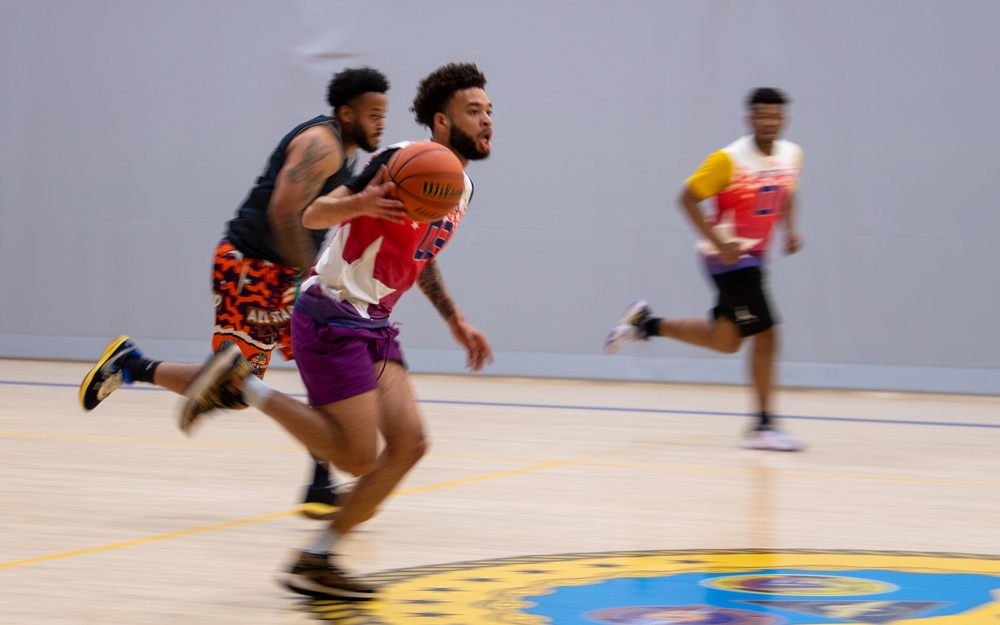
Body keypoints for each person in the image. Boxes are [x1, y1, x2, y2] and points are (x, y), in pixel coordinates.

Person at [177, 62, 494, 600]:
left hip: (373, 321)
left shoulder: (459, 187)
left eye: (490, 112)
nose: (487, 121)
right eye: (474, 111)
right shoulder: (397, 161)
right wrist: (362, 202)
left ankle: (317, 558)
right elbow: (313, 212)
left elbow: (421, 255)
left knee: (410, 445)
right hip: (331, 312)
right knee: (356, 457)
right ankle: (241, 383)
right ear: (441, 121)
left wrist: (453, 318)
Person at [78, 66, 392, 516]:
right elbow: (282, 215)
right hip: (252, 268)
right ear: (346, 113)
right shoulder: (321, 146)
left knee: (316, 369)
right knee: (235, 387)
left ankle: (320, 482)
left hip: (282, 275)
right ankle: (131, 365)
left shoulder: (347, 154)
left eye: (385, 113)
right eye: (373, 113)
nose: (382, 122)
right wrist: (309, 279)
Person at [604, 87, 805, 452]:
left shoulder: (791, 155)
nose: (769, 121)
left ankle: (644, 324)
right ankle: (763, 426)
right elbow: (686, 198)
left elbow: (788, 191)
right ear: (751, 119)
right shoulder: (728, 160)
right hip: (728, 259)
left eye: (775, 115)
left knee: (727, 340)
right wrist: (720, 241)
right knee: (767, 335)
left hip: (755, 258)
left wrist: (791, 229)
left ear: (784, 120)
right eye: (761, 115)